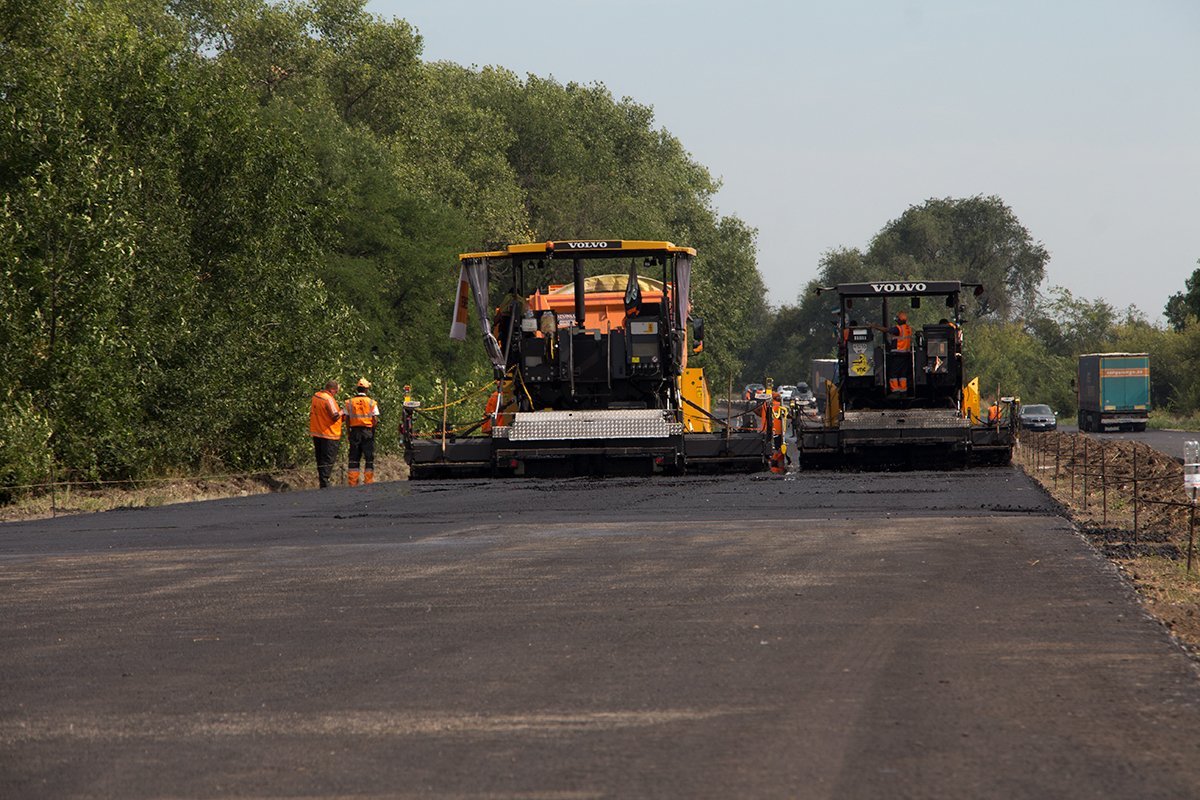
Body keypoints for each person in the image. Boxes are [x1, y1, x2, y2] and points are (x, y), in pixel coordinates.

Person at [344, 378, 380, 485]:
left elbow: (347, 418)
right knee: (369, 457)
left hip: (354, 431)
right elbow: (375, 419)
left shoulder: (349, 402)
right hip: (367, 432)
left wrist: (348, 431)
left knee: (354, 457)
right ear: (367, 389)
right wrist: (372, 430)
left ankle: (353, 482)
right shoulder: (371, 402)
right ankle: (368, 481)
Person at [310, 380, 343, 488]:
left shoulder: (316, 396)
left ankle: (322, 482)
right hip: (329, 434)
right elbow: (334, 416)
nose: (336, 393)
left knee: (320, 459)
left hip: (317, 432)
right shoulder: (328, 399)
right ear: (332, 390)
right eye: (336, 391)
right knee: (328, 460)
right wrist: (344, 411)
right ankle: (325, 484)